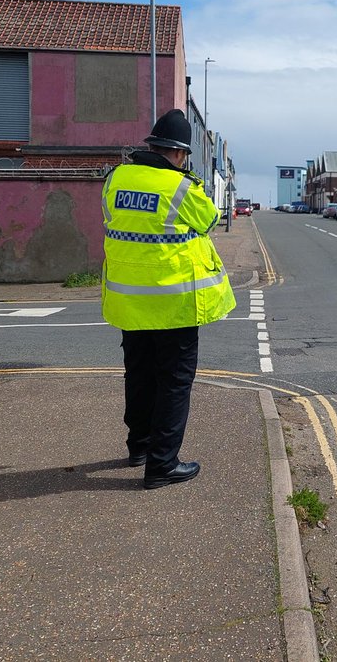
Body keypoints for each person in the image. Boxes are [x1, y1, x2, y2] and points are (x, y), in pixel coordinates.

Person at [101, 109, 237, 488]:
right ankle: (162, 465)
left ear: (152, 145)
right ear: (179, 154)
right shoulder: (181, 187)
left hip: (129, 301)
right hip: (174, 302)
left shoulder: (115, 178)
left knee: (139, 375)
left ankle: (139, 448)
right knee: (174, 382)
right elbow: (209, 219)